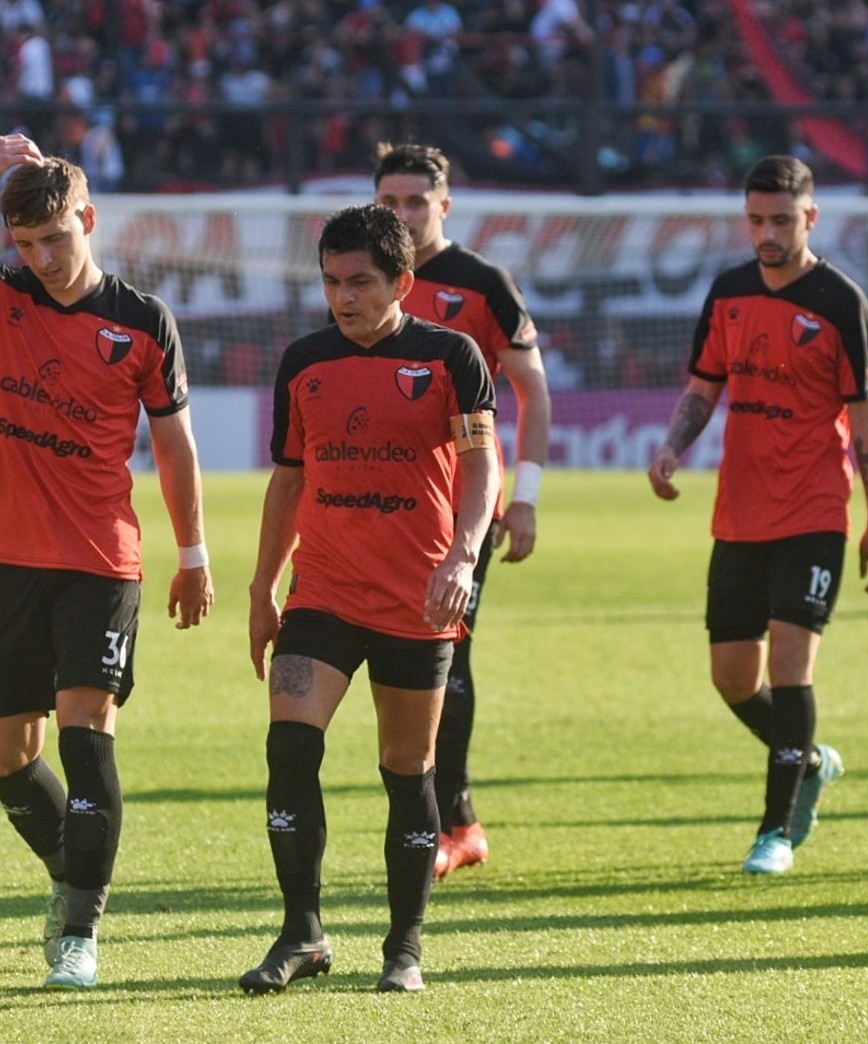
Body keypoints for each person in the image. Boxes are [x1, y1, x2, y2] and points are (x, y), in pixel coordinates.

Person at [0, 134, 215, 988]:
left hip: (102, 558)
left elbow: (175, 449)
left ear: (87, 220)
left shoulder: (141, 322)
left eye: (57, 237)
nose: (45, 257)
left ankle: (81, 930)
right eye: (26, 244)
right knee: (6, 756)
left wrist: (194, 554)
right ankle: (73, 873)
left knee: (86, 734)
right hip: (9, 556)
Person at [241, 203, 499, 994]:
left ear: (402, 282)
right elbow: (288, 479)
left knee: (405, 769)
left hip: (416, 601)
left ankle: (405, 947)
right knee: (288, 748)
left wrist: (462, 556)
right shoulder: (305, 362)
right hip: (320, 594)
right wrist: (262, 585)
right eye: (330, 281)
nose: (342, 296)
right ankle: (302, 933)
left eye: (359, 282)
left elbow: (483, 467)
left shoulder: (450, 356)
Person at [647, 155, 868, 876]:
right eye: (755, 220)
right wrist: (670, 447)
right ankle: (810, 759)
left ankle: (774, 832)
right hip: (739, 512)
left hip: (815, 508)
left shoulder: (840, 301)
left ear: (809, 218)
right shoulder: (727, 293)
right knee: (730, 677)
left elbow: (867, 421)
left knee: (790, 666)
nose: (766, 233)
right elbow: (703, 386)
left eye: (780, 220)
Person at [372, 141, 552, 880]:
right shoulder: (366, 275)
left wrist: (529, 497)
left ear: (444, 205)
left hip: (459, 513)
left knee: (448, 658)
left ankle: (456, 822)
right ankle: (445, 817)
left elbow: (532, 390)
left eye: (416, 202)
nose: (403, 215)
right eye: (390, 202)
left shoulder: (482, 284)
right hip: (380, 507)